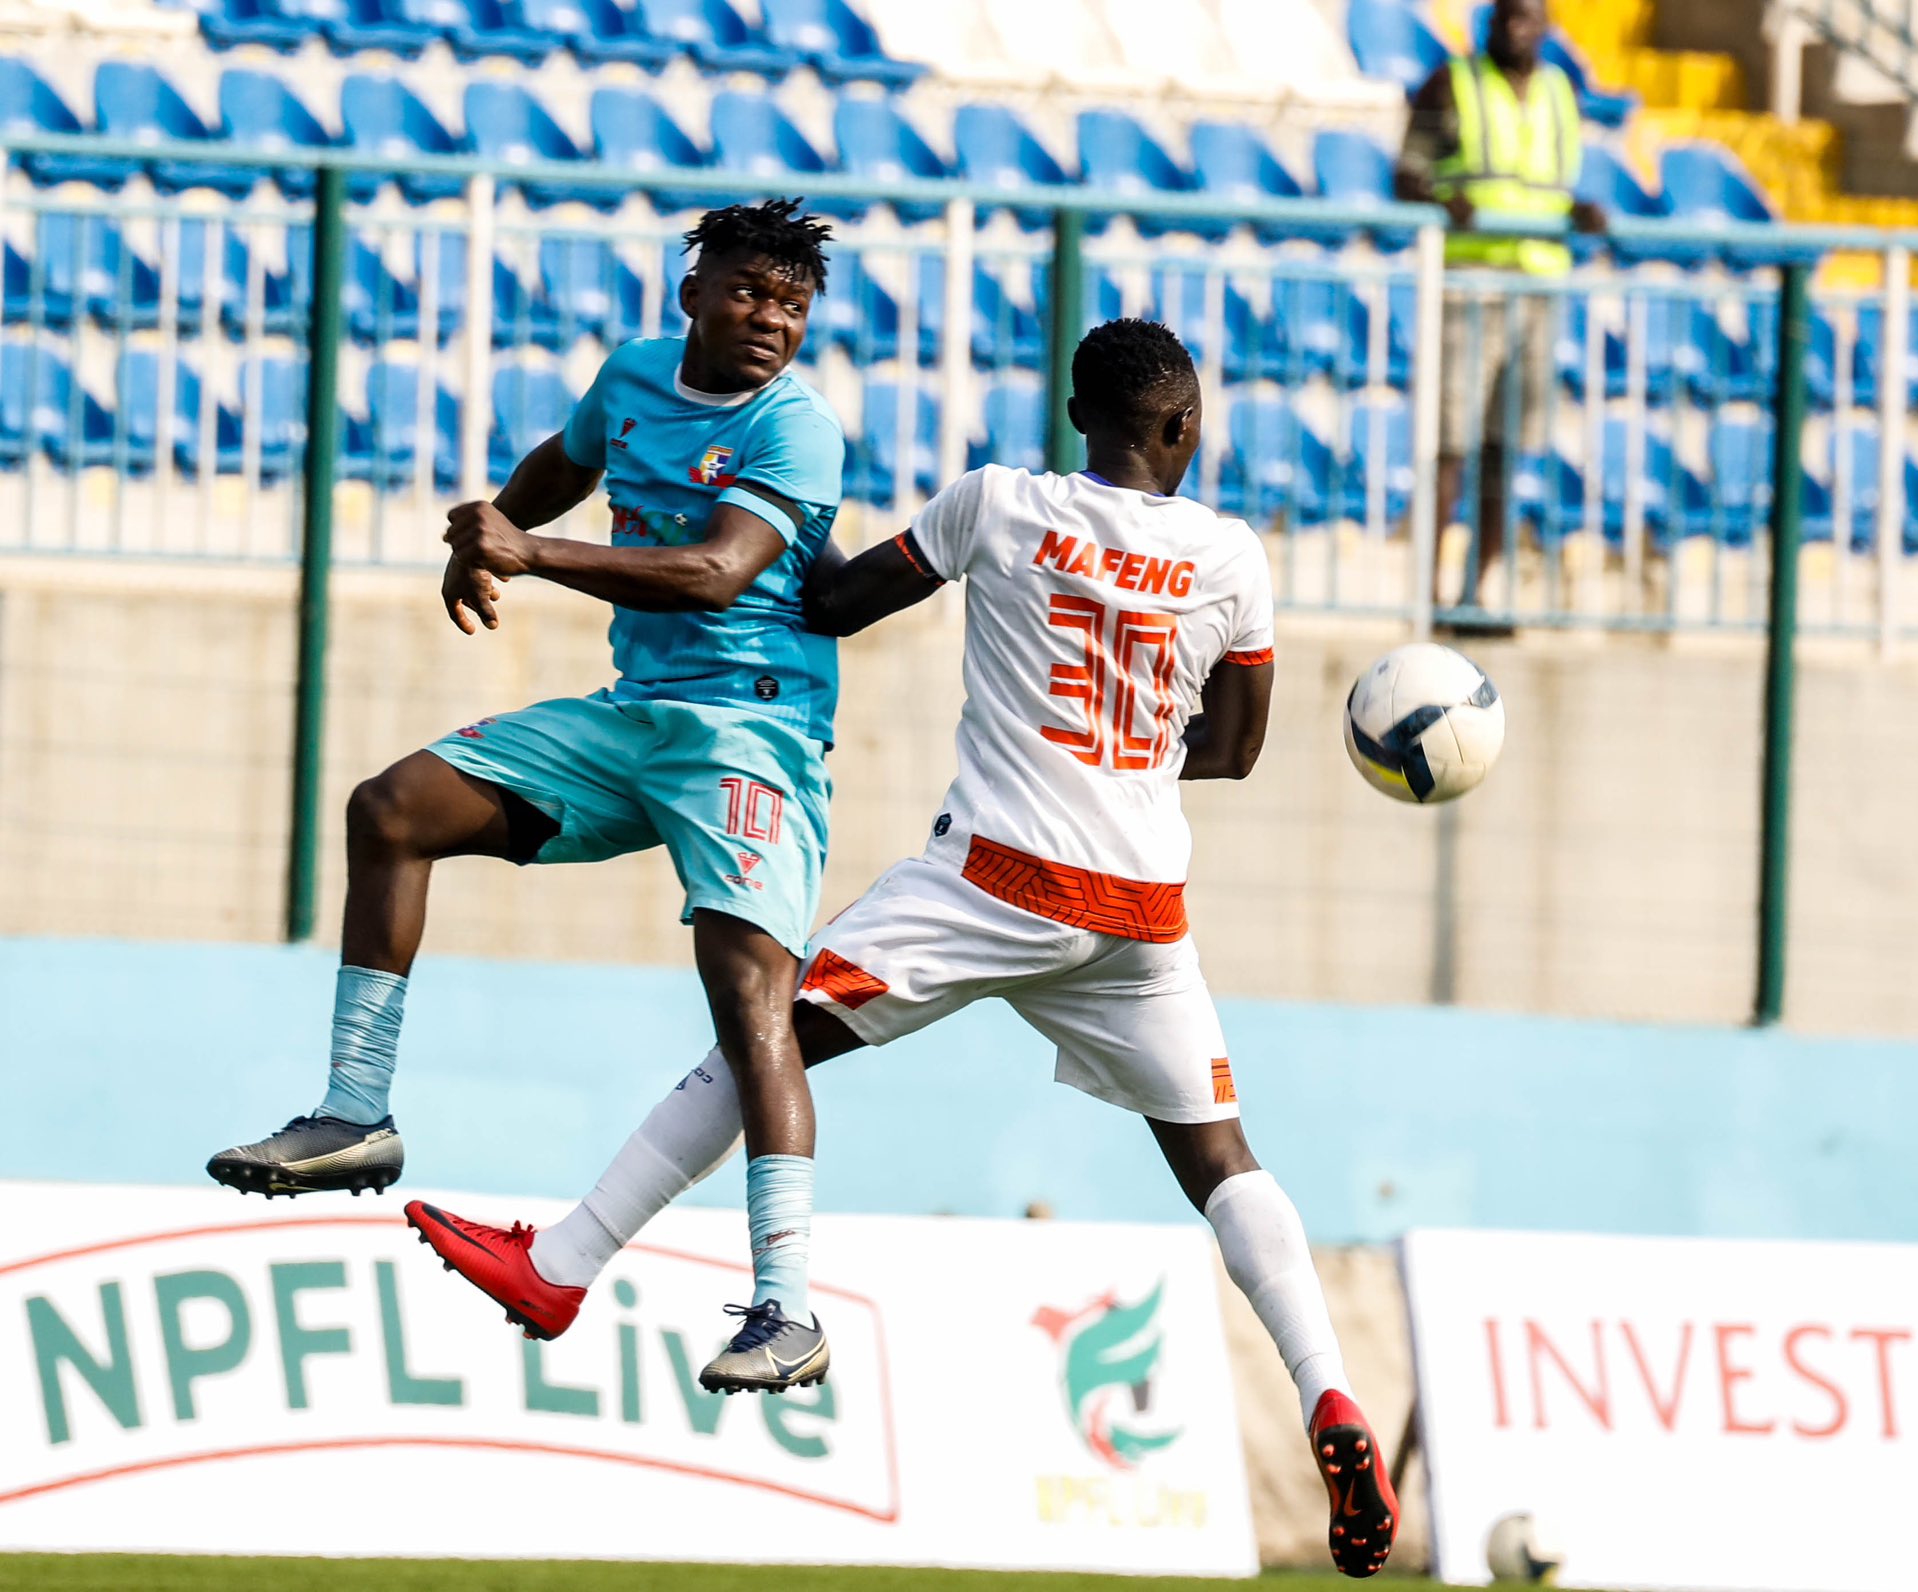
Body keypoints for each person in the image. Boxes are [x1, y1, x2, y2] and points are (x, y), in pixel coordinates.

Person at [407, 320, 1402, 1576]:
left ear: (1071, 412)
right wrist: (1131, 753)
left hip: (992, 877)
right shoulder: (1231, 556)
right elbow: (1235, 745)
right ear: (1183, 429)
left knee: (764, 1030)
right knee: (1219, 1158)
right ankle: (1325, 1387)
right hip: (1142, 908)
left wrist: (776, 508)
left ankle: (563, 1264)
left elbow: (827, 597)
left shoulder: (996, 503)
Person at [206, 198, 846, 1395]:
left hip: (751, 732)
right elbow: (566, 460)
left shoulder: (798, 429)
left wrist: (530, 554)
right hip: (631, 719)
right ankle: (354, 1113)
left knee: (751, 998)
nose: (771, 320)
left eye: (794, 304)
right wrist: (493, 527)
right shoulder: (637, 375)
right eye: (751, 293)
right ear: (692, 293)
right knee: (390, 807)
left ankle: (786, 1306)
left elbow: (714, 575)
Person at [1395, 0, 1606, 629]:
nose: (1519, 27)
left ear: (1546, 28)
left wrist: (1578, 214)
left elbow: (1549, 186)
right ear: (1489, 24)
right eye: (1508, 16)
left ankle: (1477, 593)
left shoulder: (1560, 93)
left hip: (1538, 289)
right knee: (1451, 443)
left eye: (1531, 17)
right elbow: (1404, 175)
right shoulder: (1450, 84)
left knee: (1504, 446)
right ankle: (1428, 594)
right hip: (1471, 284)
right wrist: (1440, 198)